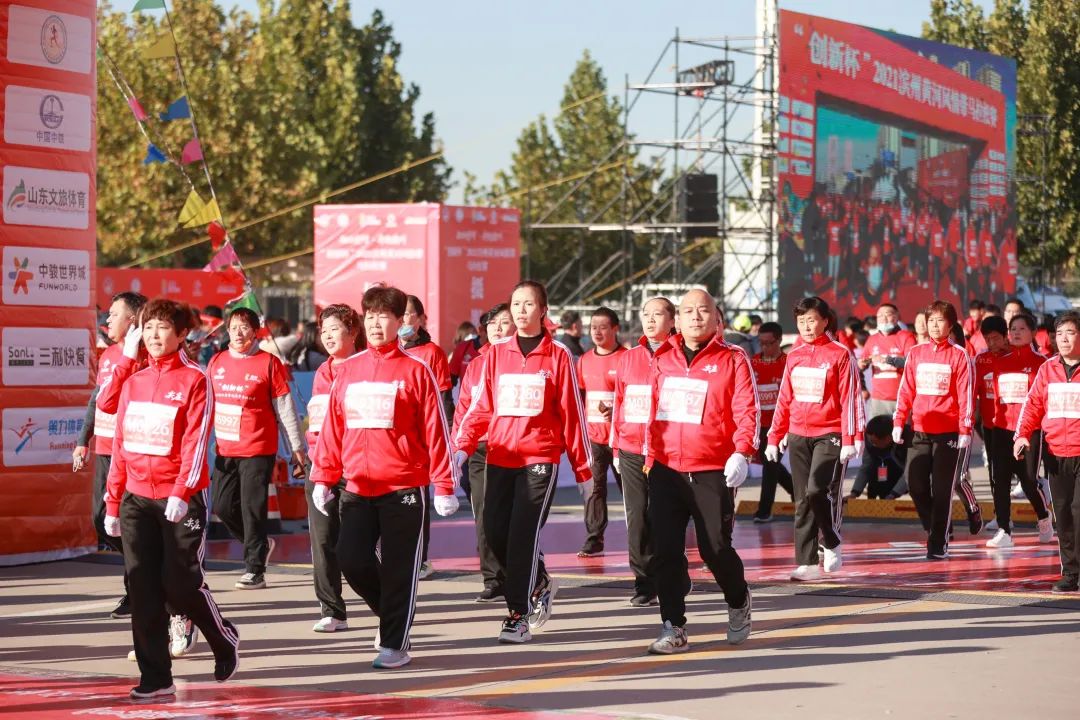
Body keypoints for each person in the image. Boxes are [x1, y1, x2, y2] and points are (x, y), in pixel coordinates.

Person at [309, 285, 460, 668]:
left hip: (403, 488)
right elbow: (333, 429)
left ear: (399, 322)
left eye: (385, 317)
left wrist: (443, 484)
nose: (377, 324)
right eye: (371, 316)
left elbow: (436, 430)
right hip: (358, 486)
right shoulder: (349, 370)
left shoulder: (416, 370)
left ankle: (395, 642)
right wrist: (324, 476)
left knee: (399, 566)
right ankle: (390, 612)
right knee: (350, 557)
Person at [102, 299, 239, 699]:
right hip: (136, 499)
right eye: (147, 328)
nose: (154, 336)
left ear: (182, 335)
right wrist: (113, 503)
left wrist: (181, 491)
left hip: (181, 499)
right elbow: (122, 446)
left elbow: (197, 442)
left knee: (178, 583)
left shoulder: (196, 379)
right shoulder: (133, 382)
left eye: (163, 328)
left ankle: (222, 636)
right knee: (141, 586)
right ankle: (156, 676)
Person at [454, 280, 592, 644]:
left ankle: (517, 615)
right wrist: (461, 448)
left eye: (528, 304)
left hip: (539, 458)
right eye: (516, 304)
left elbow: (571, 414)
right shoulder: (495, 356)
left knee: (523, 535)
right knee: (494, 534)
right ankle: (541, 580)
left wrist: (583, 469)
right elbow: (480, 408)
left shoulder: (558, 355)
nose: (521, 310)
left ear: (543, 310)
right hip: (500, 455)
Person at [643, 289, 755, 654]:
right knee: (666, 551)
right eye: (687, 311)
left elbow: (746, 409)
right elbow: (653, 410)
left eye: (702, 310)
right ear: (676, 319)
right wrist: (648, 455)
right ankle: (673, 626)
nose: (695, 317)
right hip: (666, 469)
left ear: (716, 317)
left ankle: (738, 599)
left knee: (715, 548)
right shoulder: (662, 357)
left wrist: (742, 453)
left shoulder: (733, 358)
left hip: (711, 469)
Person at [207, 308, 307, 590]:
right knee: (223, 506)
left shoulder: (269, 363)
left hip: (258, 448)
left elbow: (285, 409)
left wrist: (297, 450)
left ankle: (254, 568)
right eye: (233, 327)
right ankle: (259, 544)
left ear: (255, 331)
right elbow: (206, 407)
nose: (238, 333)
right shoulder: (216, 362)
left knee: (253, 508)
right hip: (225, 450)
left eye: (244, 327)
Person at [766, 296, 860, 580]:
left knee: (816, 490)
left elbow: (850, 399)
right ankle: (806, 562)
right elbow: (785, 398)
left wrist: (850, 438)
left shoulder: (840, 354)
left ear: (825, 320)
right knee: (802, 500)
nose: (807, 326)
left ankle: (830, 539)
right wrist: (775, 435)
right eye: (801, 321)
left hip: (829, 433)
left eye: (812, 320)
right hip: (797, 434)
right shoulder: (793, 355)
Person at [73, 291, 148, 620]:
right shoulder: (108, 356)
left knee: (127, 524)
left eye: (114, 314)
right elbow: (97, 398)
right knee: (102, 522)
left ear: (132, 320)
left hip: (130, 455)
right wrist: (82, 439)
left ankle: (137, 590)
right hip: (104, 450)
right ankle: (144, 567)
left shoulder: (144, 358)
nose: (107, 320)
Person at [893, 301, 977, 559]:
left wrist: (964, 429)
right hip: (920, 430)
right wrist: (899, 421)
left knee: (942, 490)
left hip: (950, 433)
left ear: (950, 325)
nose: (935, 326)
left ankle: (938, 542)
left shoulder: (959, 355)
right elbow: (906, 389)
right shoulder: (916, 353)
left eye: (940, 321)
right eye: (931, 321)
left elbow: (965, 394)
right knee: (916, 484)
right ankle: (935, 528)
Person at [610, 297, 677, 606]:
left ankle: (672, 577)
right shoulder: (628, 358)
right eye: (645, 314)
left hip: (668, 451)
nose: (650, 320)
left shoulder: (680, 355)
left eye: (658, 314)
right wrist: (615, 447)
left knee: (663, 517)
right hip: (631, 449)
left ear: (672, 320)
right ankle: (644, 582)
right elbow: (619, 404)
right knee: (636, 517)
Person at [303, 304, 366, 633]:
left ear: (353, 332)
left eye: (335, 329)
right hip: (321, 469)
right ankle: (332, 609)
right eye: (323, 330)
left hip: (357, 471)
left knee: (356, 548)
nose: (327, 336)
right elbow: (318, 422)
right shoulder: (321, 373)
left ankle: (386, 607)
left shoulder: (368, 368)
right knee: (322, 541)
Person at [1015, 311, 1080, 593]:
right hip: (1055, 453)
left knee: (1079, 511)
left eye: (1071, 333)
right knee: (1063, 513)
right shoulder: (1047, 370)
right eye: (1061, 333)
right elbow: (1032, 407)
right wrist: (1022, 436)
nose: (1065, 339)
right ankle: (1070, 573)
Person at [452, 304, 514, 602]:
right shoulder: (475, 364)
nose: (499, 329)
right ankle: (493, 578)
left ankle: (522, 572)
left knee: (511, 516)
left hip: (512, 448)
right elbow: (464, 408)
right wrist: (458, 446)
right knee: (483, 513)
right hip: (479, 448)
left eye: (505, 323)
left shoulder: (518, 361)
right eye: (493, 324)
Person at [986, 312, 1054, 548]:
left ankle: (1044, 516)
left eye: (1021, 329)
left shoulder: (1042, 363)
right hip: (1001, 429)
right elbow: (997, 398)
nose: (1015, 333)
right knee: (1000, 479)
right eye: (1012, 329)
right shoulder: (1000, 362)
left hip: (1030, 432)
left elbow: (1043, 401)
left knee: (1027, 481)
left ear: (1034, 333)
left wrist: (1036, 430)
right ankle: (1005, 530)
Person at [400, 295, 455, 579]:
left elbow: (444, 398)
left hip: (423, 436)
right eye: (401, 314)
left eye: (410, 314)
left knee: (416, 499)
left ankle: (421, 559)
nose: (405, 320)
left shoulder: (431, 352)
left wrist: (445, 435)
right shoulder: (385, 351)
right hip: (394, 438)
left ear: (421, 319)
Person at [576, 307, 627, 557]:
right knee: (594, 488)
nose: (596, 331)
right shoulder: (584, 360)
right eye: (593, 327)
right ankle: (594, 539)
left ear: (615, 329)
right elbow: (580, 397)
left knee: (631, 490)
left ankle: (643, 538)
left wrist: (618, 411)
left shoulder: (628, 359)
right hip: (594, 439)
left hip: (623, 439)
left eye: (603, 326)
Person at [751, 321, 793, 522]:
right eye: (762, 343)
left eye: (769, 343)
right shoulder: (753, 363)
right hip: (760, 424)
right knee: (770, 462)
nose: (765, 347)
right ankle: (796, 492)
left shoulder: (788, 363)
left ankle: (764, 510)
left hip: (782, 424)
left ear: (779, 340)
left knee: (770, 463)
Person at [860, 303, 916, 419]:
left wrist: (887, 360)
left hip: (900, 398)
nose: (883, 319)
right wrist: (862, 364)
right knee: (876, 435)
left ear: (896, 317)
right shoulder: (872, 339)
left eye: (888, 315)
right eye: (879, 316)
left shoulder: (906, 336)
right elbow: (861, 365)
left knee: (901, 435)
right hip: (877, 400)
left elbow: (912, 362)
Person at [849, 415, 908, 500]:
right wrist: (854, 493)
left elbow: (910, 472)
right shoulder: (870, 439)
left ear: (888, 438)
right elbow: (866, 467)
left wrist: (893, 494)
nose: (872, 444)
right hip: (881, 472)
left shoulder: (907, 440)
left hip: (900, 471)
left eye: (875, 442)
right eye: (870, 441)